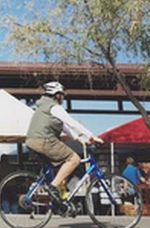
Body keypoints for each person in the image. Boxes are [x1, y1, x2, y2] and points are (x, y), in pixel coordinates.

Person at [26, 81, 103, 214]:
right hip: (44, 141)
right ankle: (53, 187)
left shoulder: (43, 107)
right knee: (74, 159)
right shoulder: (54, 107)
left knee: (59, 169)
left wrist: (78, 138)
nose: (63, 97)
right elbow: (70, 122)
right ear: (56, 95)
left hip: (33, 141)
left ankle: (59, 203)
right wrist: (91, 136)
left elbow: (63, 126)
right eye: (62, 95)